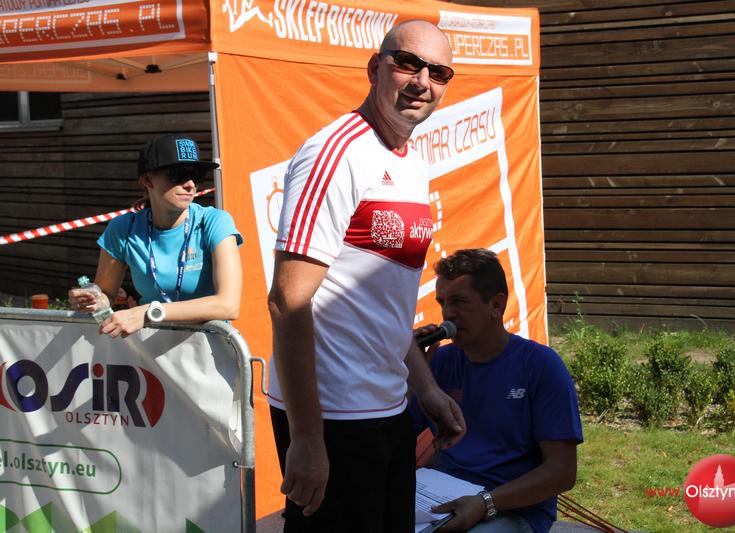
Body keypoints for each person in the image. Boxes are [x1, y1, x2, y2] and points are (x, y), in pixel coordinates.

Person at [267, 19, 465, 533]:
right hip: (332, 417)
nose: (422, 81)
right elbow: (287, 301)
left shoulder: (411, 161)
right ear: (376, 68)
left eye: (438, 72)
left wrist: (426, 390)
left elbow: (383, 306)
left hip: (387, 405)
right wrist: (306, 439)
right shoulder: (335, 154)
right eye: (408, 63)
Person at [412, 249, 583, 533]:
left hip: (512, 509)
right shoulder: (439, 362)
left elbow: (562, 472)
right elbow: (394, 437)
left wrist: (485, 503)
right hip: (441, 496)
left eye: (459, 301)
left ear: (496, 305)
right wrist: (413, 374)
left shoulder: (540, 366)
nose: (447, 314)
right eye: (442, 302)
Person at [69, 134, 243, 337]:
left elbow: (228, 305)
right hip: (151, 348)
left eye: (196, 176)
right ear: (147, 180)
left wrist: (148, 313)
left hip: (206, 347)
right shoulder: (123, 228)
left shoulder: (215, 221)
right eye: (178, 175)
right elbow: (106, 295)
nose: (190, 184)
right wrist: (93, 300)